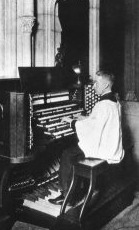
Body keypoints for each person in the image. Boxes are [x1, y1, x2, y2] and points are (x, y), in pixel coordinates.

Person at [49, 70, 124, 205]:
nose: (94, 86)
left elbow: (91, 129)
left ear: (106, 85)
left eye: (96, 83)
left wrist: (71, 121)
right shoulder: (114, 101)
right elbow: (100, 121)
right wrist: (85, 118)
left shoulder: (103, 105)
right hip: (112, 145)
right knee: (73, 147)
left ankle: (67, 197)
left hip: (103, 150)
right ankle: (75, 185)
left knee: (67, 154)